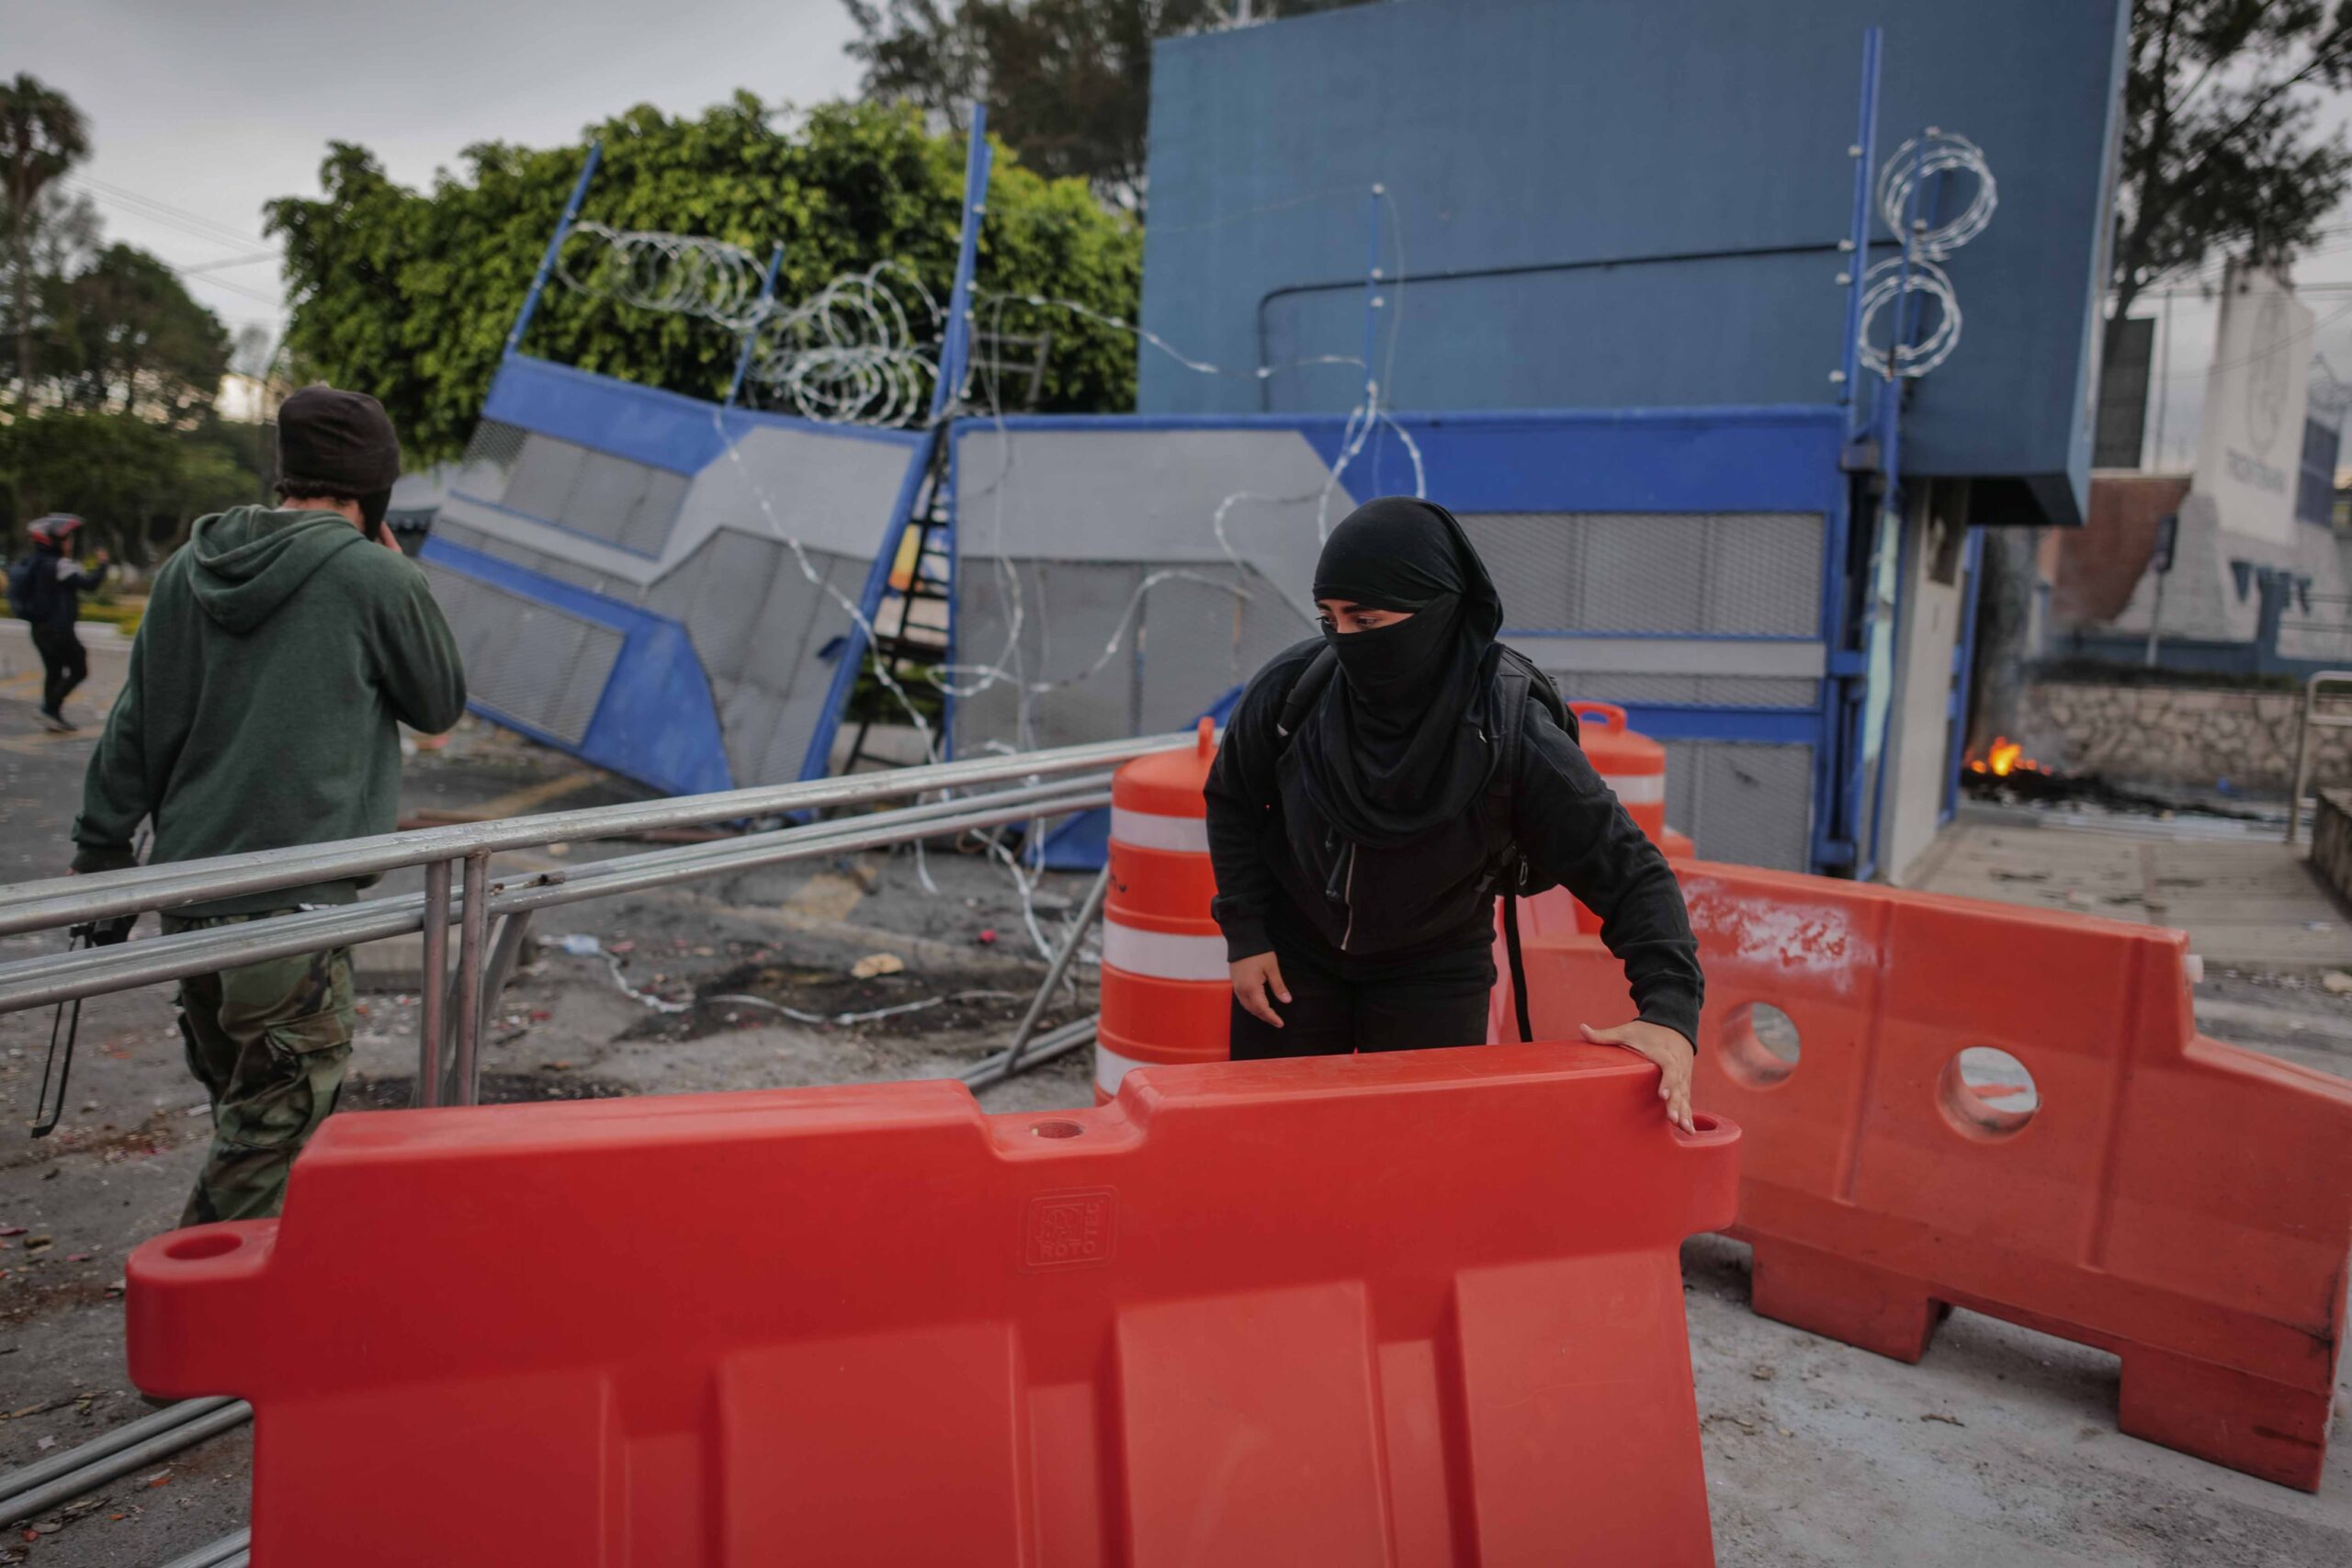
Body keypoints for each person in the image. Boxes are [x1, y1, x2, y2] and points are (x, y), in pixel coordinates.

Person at [71, 387, 467, 1225]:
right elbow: (438, 702)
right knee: (267, 1137)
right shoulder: (374, 576)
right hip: (289, 915)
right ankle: (200, 1325)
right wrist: (402, 573)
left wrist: (101, 856)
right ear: (374, 486)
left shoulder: (188, 567)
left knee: (243, 1114)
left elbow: (135, 722)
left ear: (283, 474)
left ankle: (251, 1303)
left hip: (188, 903)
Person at [1202, 496, 1706, 1128]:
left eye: (1367, 619)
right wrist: (1245, 933)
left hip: (1435, 965)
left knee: (1418, 1162)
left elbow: (1630, 871)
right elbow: (1233, 800)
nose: (1346, 641)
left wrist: (1668, 1015)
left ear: (1439, 614)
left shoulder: (1512, 730)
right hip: (1292, 956)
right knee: (1272, 1148)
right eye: (1330, 619)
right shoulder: (1294, 691)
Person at [11, 513, 112, 732]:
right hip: (59, 630)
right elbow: (89, 584)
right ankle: (49, 709)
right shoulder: (60, 565)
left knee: (54, 671)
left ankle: (52, 718)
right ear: (55, 541)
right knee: (79, 668)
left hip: (38, 629)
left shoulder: (35, 563)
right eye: (67, 539)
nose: (70, 543)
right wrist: (103, 564)